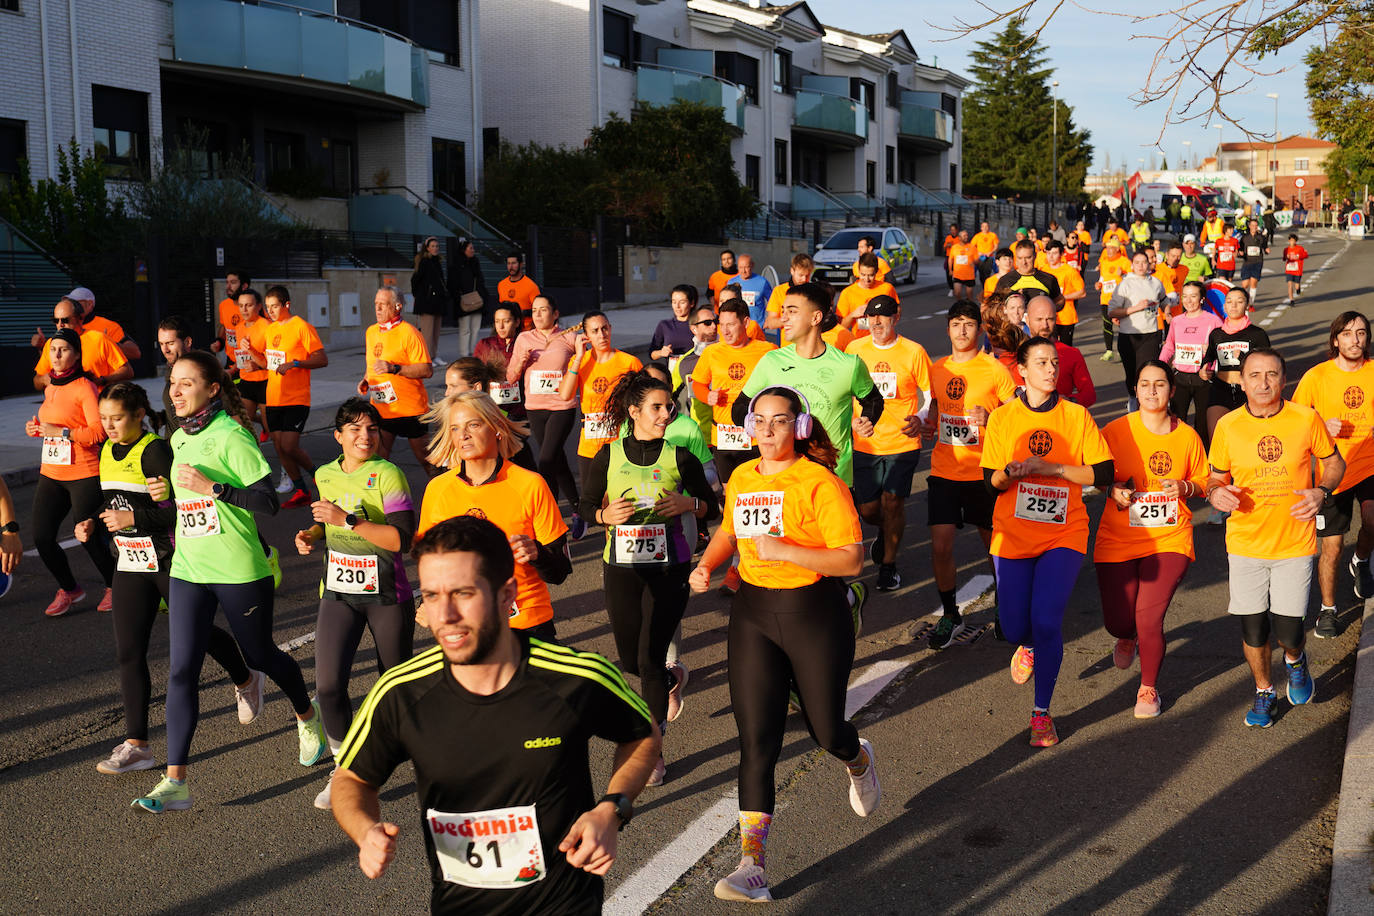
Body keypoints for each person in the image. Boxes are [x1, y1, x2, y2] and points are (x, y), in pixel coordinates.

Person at [331, 515, 659, 912]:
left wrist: (612, 808)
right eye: (432, 596)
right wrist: (364, 831)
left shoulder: (576, 678)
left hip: (563, 904)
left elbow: (642, 734)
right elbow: (351, 779)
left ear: (507, 596)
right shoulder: (401, 692)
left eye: (463, 593)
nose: (444, 615)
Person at [690, 386, 880, 902]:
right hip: (752, 612)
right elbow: (729, 531)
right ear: (749, 426)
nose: (768, 429)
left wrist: (787, 550)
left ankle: (856, 757)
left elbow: (849, 561)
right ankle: (753, 866)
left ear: (798, 428)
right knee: (757, 740)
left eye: (780, 420)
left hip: (813, 613)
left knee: (825, 731)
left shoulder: (820, 483)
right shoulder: (742, 477)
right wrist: (708, 563)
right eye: (760, 420)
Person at [133, 350, 327, 813]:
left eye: (185, 383)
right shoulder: (177, 437)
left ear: (212, 388)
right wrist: (168, 497)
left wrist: (212, 488)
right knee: (182, 670)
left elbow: (267, 502)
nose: (174, 391)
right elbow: (186, 506)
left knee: (260, 654)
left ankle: (307, 713)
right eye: (172, 383)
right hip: (189, 567)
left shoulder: (232, 435)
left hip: (240, 568)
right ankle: (175, 781)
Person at [78, 382, 258, 776]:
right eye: (104, 419)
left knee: (200, 634)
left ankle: (245, 677)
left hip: (169, 559)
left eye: (117, 418)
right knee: (129, 651)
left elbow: (182, 510)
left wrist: (134, 518)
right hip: (129, 561)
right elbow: (112, 498)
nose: (108, 426)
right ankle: (138, 745)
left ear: (139, 415)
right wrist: (93, 519)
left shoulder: (156, 451)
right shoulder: (107, 449)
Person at [581, 370, 717, 785]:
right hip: (620, 566)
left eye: (668, 407)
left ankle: (650, 750)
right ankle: (673, 678)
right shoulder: (609, 455)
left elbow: (712, 506)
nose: (665, 414)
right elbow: (586, 506)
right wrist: (605, 515)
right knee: (630, 659)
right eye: (657, 407)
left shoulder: (680, 457)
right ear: (634, 411)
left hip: (669, 567)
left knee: (650, 660)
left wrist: (687, 503)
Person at [981, 337, 1114, 746]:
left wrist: (1053, 469)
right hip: (1013, 535)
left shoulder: (1076, 416)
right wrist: (1011, 474)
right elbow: (991, 482)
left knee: (1047, 620)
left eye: (1054, 362)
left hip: (1064, 530)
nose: (1051, 369)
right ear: (1021, 369)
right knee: (1015, 625)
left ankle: (1042, 713)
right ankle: (1026, 646)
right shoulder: (1003, 418)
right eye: (1041, 362)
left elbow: (1103, 472)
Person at [1205, 349, 1343, 728]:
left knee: (1288, 631)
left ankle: (1296, 661)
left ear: (1284, 380)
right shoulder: (1228, 426)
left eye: (1272, 374)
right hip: (1246, 542)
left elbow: (1334, 462)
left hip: (1293, 542)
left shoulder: (1304, 418)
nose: (1263, 382)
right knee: (1253, 627)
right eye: (1254, 375)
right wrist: (1215, 493)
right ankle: (1264, 690)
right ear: (1242, 381)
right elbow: (1214, 477)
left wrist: (1322, 492)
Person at [294, 398, 416, 809]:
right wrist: (311, 535)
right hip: (339, 593)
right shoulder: (326, 474)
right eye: (356, 430)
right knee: (328, 687)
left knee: (392, 688)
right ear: (339, 436)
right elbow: (322, 520)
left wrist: (348, 520)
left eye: (373, 429)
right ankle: (345, 770)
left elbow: (401, 541)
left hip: (385, 595)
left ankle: (418, 753)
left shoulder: (388, 474)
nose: (366, 437)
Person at [1094, 361, 1208, 718]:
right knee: (1118, 622)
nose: (1153, 391)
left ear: (1172, 391)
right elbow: (1096, 477)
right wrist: (1111, 490)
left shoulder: (1187, 436)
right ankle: (1124, 636)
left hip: (1170, 539)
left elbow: (1205, 483)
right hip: (1118, 538)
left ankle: (1147, 689)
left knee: (1148, 619)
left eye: (1160, 384)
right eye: (1145, 384)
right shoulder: (1115, 431)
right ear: (1136, 390)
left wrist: (1185, 486)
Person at [420, 389, 572, 647]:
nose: (463, 435)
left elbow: (560, 571)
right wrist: (425, 602)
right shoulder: (437, 489)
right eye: (455, 429)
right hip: (462, 624)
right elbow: (427, 564)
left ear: (497, 428)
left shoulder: (530, 484)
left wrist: (537, 553)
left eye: (473, 425)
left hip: (527, 624)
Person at [920, 300, 1017, 648]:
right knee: (941, 546)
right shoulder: (937, 368)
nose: (962, 331)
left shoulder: (994, 369)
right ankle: (950, 614)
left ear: (979, 330)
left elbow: (1017, 416)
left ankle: (1004, 608)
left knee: (993, 547)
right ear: (947, 329)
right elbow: (933, 406)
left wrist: (990, 419)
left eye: (969, 324)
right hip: (944, 471)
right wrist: (927, 423)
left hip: (983, 473)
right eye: (956, 324)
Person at [734, 282, 883, 488]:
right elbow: (740, 407)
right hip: (782, 478)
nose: (783, 317)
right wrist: (757, 425)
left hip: (834, 476)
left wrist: (866, 419)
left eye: (792, 311)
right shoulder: (771, 362)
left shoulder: (849, 365)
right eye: (783, 311)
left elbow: (874, 400)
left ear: (816, 317)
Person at [1292, 312, 1374, 639]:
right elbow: (1296, 422)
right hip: (1331, 470)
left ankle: (1362, 559)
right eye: (1348, 333)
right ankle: (1328, 609)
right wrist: (1321, 426)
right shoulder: (1316, 376)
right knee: (1331, 548)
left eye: (1362, 333)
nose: (1355, 339)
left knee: (1372, 520)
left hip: (1369, 462)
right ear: (1335, 339)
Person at [26, 330, 114, 616]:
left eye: (64, 350)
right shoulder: (51, 385)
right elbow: (47, 421)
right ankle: (70, 589)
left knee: (88, 536)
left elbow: (99, 432)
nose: (57, 355)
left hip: (84, 472)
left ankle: (115, 586)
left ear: (76, 354)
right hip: (52, 472)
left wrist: (62, 432)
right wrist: (35, 427)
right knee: (41, 537)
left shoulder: (85, 387)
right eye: (53, 350)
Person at [848, 295, 931, 591]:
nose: (877, 322)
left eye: (883, 317)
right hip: (865, 443)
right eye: (872, 316)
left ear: (896, 318)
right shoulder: (855, 349)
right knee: (869, 510)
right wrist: (851, 422)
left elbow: (928, 392)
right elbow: (845, 392)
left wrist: (920, 417)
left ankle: (888, 566)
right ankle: (887, 531)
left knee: (893, 502)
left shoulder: (913, 351)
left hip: (902, 442)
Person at [244, 285, 328, 508]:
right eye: (268, 307)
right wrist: (252, 354)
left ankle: (319, 476)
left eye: (274, 307)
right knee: (280, 447)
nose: (270, 311)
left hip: (296, 397)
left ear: (286, 305)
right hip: (274, 398)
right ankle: (301, 490)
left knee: (290, 446)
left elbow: (322, 359)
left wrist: (295, 363)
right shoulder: (271, 330)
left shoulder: (302, 327)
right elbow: (269, 364)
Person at [507, 295, 584, 536]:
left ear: (555, 313)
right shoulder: (524, 338)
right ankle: (578, 509)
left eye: (543, 310)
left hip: (562, 405)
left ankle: (547, 518)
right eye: (534, 310)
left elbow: (585, 368)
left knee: (547, 460)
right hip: (535, 406)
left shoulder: (570, 337)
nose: (538, 315)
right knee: (556, 459)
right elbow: (510, 377)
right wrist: (522, 358)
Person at [559, 311, 642, 485]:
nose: (601, 334)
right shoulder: (579, 361)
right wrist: (579, 358)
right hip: (590, 446)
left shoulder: (629, 362)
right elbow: (565, 395)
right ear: (586, 335)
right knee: (591, 501)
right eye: (595, 330)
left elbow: (643, 400)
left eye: (605, 328)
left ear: (610, 329)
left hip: (622, 443)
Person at [357, 287, 433, 469]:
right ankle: (380, 497)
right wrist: (367, 379)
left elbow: (427, 370)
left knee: (427, 460)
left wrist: (395, 368)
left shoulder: (410, 332)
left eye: (383, 305)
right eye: (376, 304)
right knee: (378, 461)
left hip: (410, 409)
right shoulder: (371, 332)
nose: (378, 309)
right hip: (382, 407)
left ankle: (444, 493)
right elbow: (374, 364)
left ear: (397, 307)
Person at [1200, 287, 1271, 448]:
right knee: (1217, 440)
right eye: (1229, 302)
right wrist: (1204, 370)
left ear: (1246, 305)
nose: (1234, 306)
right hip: (1220, 389)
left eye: (1239, 302)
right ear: (1224, 306)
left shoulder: (1257, 334)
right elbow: (1209, 357)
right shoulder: (1216, 334)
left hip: (1247, 391)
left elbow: (1268, 363)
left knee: (1248, 440)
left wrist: (1244, 357)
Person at [1158, 281, 1223, 438]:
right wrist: (1159, 366)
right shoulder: (1176, 321)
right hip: (1180, 377)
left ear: (1202, 299)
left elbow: (1221, 348)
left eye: (1193, 296)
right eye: (1185, 296)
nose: (1188, 300)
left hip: (1204, 377)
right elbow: (1169, 346)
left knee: (1202, 423)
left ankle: (1202, 457)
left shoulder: (1213, 321)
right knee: (1177, 421)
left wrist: (1210, 361)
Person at [1107, 250, 1168, 404]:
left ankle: (1146, 403)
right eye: (1137, 263)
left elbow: (1164, 300)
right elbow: (1112, 312)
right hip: (1129, 335)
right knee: (1132, 372)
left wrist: (1167, 312)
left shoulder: (1155, 283)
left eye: (1144, 262)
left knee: (1147, 372)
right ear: (1132, 265)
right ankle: (1133, 400)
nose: (1141, 266)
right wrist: (1136, 308)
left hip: (1151, 334)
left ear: (1149, 264)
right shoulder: (1125, 284)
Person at [33, 297, 132, 391]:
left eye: (65, 320)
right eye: (55, 320)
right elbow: (37, 381)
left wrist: (102, 380)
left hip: (96, 403)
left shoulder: (99, 339)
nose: (60, 325)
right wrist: (43, 380)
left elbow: (127, 371)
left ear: (80, 318)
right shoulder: (51, 343)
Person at [32, 286, 142, 363]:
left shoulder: (108, 326)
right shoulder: (63, 326)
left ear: (90, 304)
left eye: (75, 302)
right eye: (68, 302)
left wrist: (108, 344)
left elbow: (135, 353)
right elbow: (52, 366)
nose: (70, 305)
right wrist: (42, 348)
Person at [1026, 296, 1095, 407]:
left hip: (1061, 419)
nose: (1045, 325)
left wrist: (1068, 401)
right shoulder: (1017, 353)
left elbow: (1089, 395)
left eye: (1050, 319)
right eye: (1039, 319)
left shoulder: (1071, 354)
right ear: (1027, 320)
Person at [228, 287, 272, 442]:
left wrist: (256, 364)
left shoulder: (266, 326)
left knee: (271, 429)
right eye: (241, 306)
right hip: (246, 381)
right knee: (241, 426)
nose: (244, 309)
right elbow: (239, 357)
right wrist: (232, 370)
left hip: (265, 382)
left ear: (259, 306)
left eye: (249, 305)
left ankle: (282, 464)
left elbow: (272, 361)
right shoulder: (239, 327)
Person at [475, 301, 526, 419]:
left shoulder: (526, 343)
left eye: (506, 321)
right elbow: (475, 374)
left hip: (520, 410)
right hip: (493, 409)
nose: (501, 326)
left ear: (517, 322)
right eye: (497, 321)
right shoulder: (485, 344)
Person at [836, 253, 899, 338]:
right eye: (863, 274)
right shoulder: (847, 293)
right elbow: (841, 327)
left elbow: (897, 311)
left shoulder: (887, 288)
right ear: (858, 271)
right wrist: (853, 315)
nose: (867, 279)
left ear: (876, 272)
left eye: (871, 275)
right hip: (859, 342)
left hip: (883, 340)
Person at [410, 236, 449, 365]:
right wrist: (420, 295)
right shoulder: (424, 262)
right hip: (427, 302)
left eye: (437, 246)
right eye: (432, 246)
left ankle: (434, 355)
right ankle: (426, 358)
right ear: (427, 248)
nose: (435, 248)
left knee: (436, 331)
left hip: (438, 301)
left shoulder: (437, 261)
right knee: (427, 332)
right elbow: (415, 280)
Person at [1093, 238, 1131, 363]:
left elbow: (1133, 281)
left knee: (1122, 326)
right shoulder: (1103, 262)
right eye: (1107, 248)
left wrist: (1123, 275)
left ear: (1117, 249)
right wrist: (1099, 283)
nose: (1108, 251)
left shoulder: (1125, 262)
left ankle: (1123, 351)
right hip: (1105, 298)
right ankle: (1109, 350)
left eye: (1111, 248)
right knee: (1106, 324)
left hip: (1121, 299)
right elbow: (1103, 277)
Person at [449, 238, 488, 358]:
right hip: (464, 301)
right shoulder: (456, 265)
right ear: (463, 250)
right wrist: (458, 297)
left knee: (475, 327)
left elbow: (480, 281)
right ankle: (464, 354)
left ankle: (473, 351)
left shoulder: (475, 263)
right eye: (470, 248)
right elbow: (452, 284)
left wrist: (482, 295)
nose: (473, 250)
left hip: (477, 300)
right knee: (465, 329)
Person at [992, 240, 1063, 306]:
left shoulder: (1049, 279)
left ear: (1035, 256)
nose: (1024, 262)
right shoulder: (1005, 281)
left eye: (1028, 258)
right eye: (1020, 258)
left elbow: (1059, 301)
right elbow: (995, 306)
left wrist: (1046, 310)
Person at [1042, 240, 1086, 345]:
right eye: (1048, 253)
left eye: (1054, 253)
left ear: (1061, 254)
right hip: (1047, 317)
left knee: (1065, 349)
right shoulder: (1043, 271)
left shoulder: (1069, 271)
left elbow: (1082, 292)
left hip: (1066, 317)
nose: (1051, 256)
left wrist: (1061, 297)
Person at [763, 254, 813, 332]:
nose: (804, 279)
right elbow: (770, 323)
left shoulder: (815, 291)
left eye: (807, 276)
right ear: (792, 271)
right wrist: (791, 320)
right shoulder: (779, 291)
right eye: (801, 275)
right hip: (788, 343)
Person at [649, 284, 697, 365]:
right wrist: (661, 352)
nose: (677, 306)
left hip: (695, 372)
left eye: (682, 302)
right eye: (674, 302)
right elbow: (652, 354)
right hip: (673, 374)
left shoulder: (699, 324)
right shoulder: (664, 325)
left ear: (692, 303)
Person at [497, 250, 541, 331]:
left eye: (514, 263)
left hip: (525, 330)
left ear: (521, 264)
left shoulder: (531, 286)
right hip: (506, 330)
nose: (511, 266)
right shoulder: (501, 285)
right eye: (509, 263)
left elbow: (539, 310)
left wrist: (521, 312)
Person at [730, 254, 774, 333]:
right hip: (738, 328)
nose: (743, 271)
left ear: (752, 265)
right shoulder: (731, 282)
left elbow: (772, 302)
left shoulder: (762, 282)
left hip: (757, 328)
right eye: (740, 267)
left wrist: (769, 318)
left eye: (746, 267)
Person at [213, 270, 248, 356]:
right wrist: (219, 342)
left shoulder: (253, 307)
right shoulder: (223, 305)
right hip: (231, 360)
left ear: (244, 286)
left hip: (250, 362)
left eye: (233, 282)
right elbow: (224, 327)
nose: (228, 286)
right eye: (227, 282)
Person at [1238, 217, 1270, 306]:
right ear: (1249, 226)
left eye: (1256, 226)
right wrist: (1240, 253)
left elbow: (1265, 247)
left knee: (1253, 282)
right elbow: (1240, 249)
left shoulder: (1261, 237)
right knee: (1245, 285)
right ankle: (1243, 301)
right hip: (1247, 262)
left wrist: (1267, 250)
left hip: (1257, 262)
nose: (1254, 227)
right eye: (1252, 225)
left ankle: (1250, 304)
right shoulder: (1244, 238)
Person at [947, 228, 978, 302]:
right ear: (959, 238)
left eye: (967, 235)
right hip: (958, 274)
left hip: (969, 275)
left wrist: (974, 262)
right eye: (964, 236)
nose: (966, 237)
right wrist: (950, 270)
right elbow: (950, 259)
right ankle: (960, 305)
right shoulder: (954, 247)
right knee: (957, 293)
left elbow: (977, 259)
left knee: (969, 294)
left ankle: (971, 308)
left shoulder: (972, 247)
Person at [1281, 233, 1308, 305]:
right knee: (1289, 284)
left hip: (1297, 270)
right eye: (1290, 240)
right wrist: (1286, 257)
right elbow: (1283, 258)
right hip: (1289, 270)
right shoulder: (1286, 249)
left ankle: (1298, 288)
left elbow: (1306, 255)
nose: (1292, 242)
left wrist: (1298, 257)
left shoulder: (1300, 248)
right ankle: (1291, 300)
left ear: (1295, 241)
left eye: (1293, 241)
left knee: (1296, 285)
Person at [942, 223, 960, 297]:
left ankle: (957, 288)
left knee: (956, 274)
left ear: (957, 230)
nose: (953, 231)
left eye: (954, 230)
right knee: (948, 274)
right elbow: (944, 248)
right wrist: (947, 245)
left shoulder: (959, 238)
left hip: (957, 258)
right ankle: (951, 288)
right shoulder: (948, 237)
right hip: (949, 257)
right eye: (951, 230)